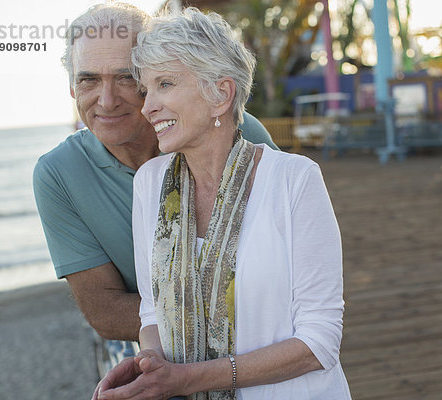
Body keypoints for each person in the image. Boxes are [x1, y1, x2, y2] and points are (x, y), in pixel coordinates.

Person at [93, 7, 351, 400]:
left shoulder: (294, 180)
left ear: (221, 94)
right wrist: (149, 366)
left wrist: (188, 379)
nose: (147, 107)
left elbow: (320, 342)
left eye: (165, 84)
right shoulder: (150, 184)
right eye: (147, 90)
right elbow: (151, 311)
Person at [32, 2, 277, 370]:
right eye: (88, 79)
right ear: (71, 87)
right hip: (148, 347)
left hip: (262, 340)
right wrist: (230, 304)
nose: (107, 100)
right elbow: (106, 311)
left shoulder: (234, 132)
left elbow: (290, 263)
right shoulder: (59, 173)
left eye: (127, 77)